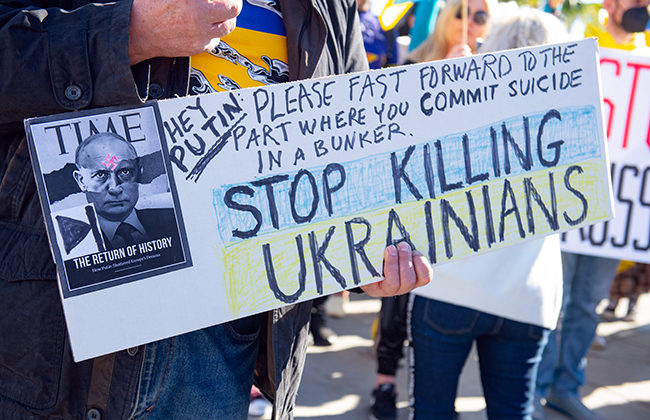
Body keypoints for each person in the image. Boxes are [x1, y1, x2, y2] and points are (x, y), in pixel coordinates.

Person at [0, 1, 433, 419]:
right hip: (57, 323)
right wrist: (128, 32)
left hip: (223, 340)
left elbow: (349, 145)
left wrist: (363, 258)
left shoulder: (331, 7)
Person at [407, 6, 570, 420]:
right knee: (513, 412)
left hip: (449, 286)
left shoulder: (462, 104)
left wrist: (444, 90)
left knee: (431, 410)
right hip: (528, 297)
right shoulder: (571, 121)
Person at [535, 1, 650, 419]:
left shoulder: (647, 55)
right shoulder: (584, 48)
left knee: (588, 304)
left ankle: (567, 387)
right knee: (555, 300)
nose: (641, 6)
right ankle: (538, 385)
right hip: (575, 200)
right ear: (609, 5)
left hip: (618, 212)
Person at [72, 132, 179, 249]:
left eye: (125, 172)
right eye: (101, 174)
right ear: (81, 181)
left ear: (139, 173)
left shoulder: (175, 220)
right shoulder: (74, 243)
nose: (115, 188)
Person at [407, 0, 494, 63]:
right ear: (447, 15)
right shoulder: (416, 60)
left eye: (480, 17)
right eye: (461, 12)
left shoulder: (492, 67)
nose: (469, 21)